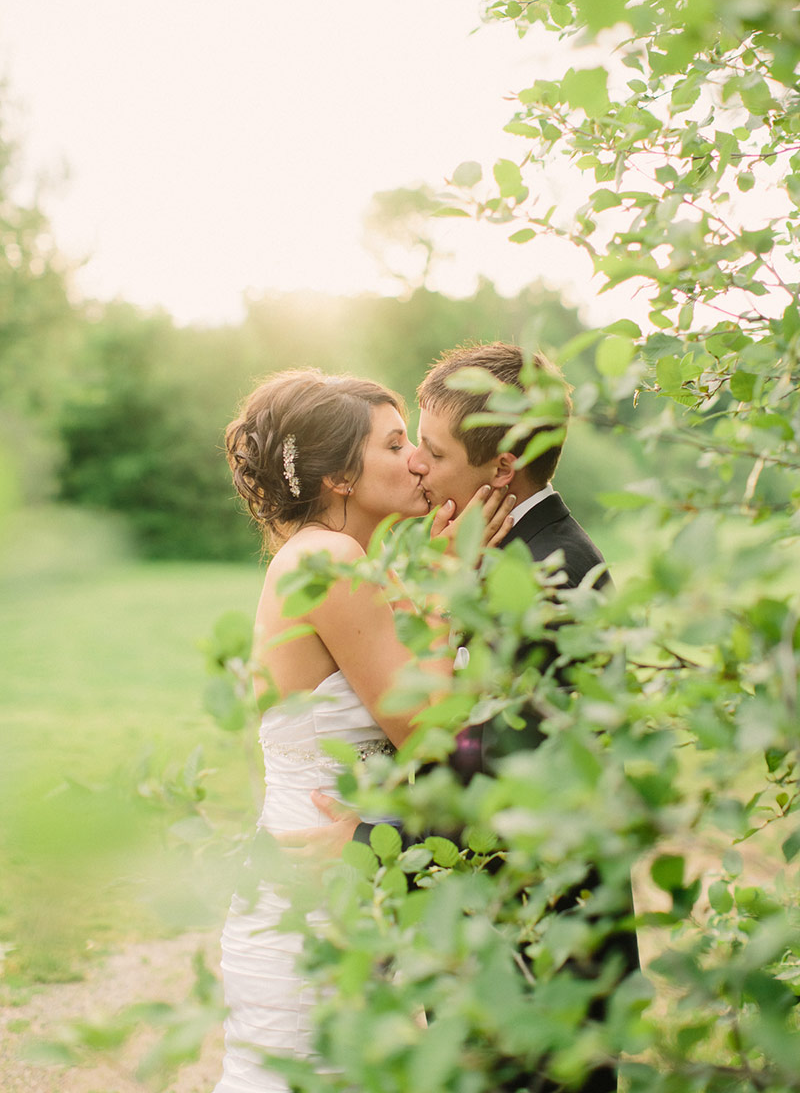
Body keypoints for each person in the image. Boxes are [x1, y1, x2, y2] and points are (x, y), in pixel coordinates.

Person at [317, 342, 638, 1093]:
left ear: (501, 467)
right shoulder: (498, 552)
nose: (417, 465)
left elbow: (505, 777)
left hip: (541, 959)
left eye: (431, 449)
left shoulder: (553, 576)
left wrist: (367, 835)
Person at [213, 368, 514, 1093]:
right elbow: (428, 728)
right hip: (310, 898)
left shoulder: (351, 564)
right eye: (396, 442)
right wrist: (449, 594)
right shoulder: (328, 559)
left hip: (332, 879)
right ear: (339, 477)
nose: (418, 459)